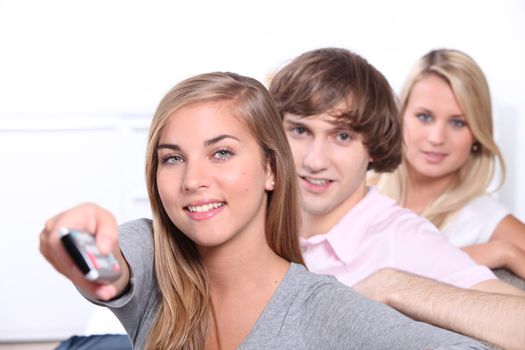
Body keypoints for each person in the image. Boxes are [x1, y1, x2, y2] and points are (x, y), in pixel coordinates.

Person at [39, 72, 486, 350]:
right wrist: (74, 240)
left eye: (221, 153)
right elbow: (113, 270)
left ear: (271, 169)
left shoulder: (324, 309)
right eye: (172, 158)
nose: (193, 179)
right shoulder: (155, 259)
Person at [268, 47, 525, 350]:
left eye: (343, 136)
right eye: (300, 130)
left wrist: (394, 285)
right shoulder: (259, 215)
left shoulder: (400, 237)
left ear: (373, 147)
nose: (315, 160)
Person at [375, 48, 525, 282]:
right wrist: (461, 257)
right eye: (424, 117)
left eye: (458, 122)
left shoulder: (485, 217)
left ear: (477, 133)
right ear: (400, 116)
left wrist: (505, 252)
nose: (437, 137)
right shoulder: (359, 189)